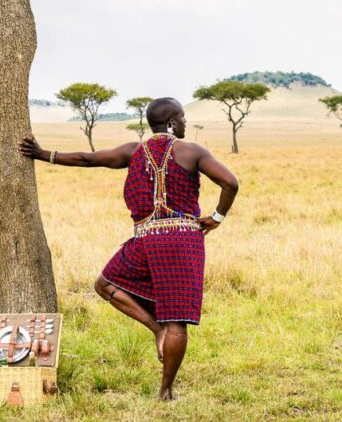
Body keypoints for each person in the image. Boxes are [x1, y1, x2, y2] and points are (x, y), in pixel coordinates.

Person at [19, 97, 238, 400]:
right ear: (172, 123)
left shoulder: (133, 151)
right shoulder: (193, 151)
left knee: (105, 285)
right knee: (175, 320)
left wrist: (44, 155)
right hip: (184, 241)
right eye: (183, 117)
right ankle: (165, 390)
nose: (186, 122)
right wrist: (215, 218)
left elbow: (87, 158)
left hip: (146, 238)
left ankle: (155, 329)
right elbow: (230, 183)